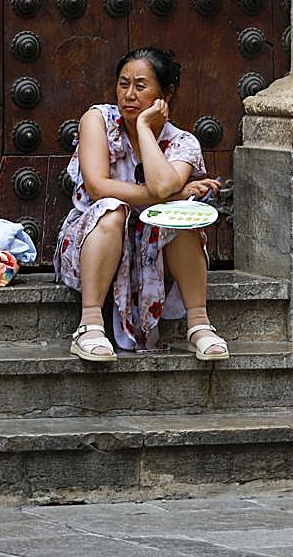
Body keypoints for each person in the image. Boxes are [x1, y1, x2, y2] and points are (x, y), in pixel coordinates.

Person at [54, 47, 227, 362]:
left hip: (153, 248)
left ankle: (199, 325)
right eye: (123, 84)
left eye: (140, 86)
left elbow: (160, 184)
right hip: (97, 235)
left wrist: (146, 129)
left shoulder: (182, 142)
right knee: (111, 208)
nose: (128, 95)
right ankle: (89, 326)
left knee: (180, 216)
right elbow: (97, 186)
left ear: (166, 94)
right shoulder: (98, 120)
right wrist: (172, 194)